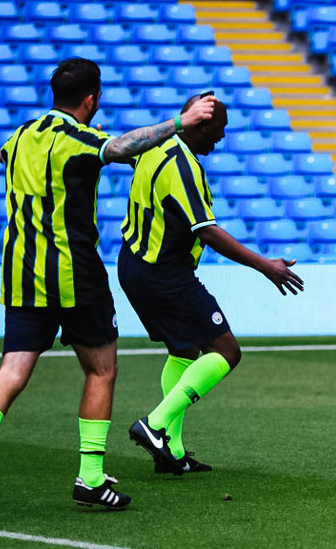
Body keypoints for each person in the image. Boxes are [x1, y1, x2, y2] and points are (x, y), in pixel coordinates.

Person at [0, 57, 218, 519]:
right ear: (91, 99)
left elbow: (3, 156)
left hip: (21, 271)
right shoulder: (80, 139)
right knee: (101, 370)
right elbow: (121, 148)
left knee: (13, 371)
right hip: (74, 273)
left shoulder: (20, 135)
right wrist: (180, 122)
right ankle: (90, 479)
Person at [120, 93, 304, 475]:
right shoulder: (182, 165)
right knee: (226, 351)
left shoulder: (154, 145)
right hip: (164, 273)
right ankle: (155, 425)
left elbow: (124, 151)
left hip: (136, 264)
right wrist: (264, 266)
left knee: (183, 351)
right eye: (218, 129)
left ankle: (172, 451)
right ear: (199, 125)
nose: (220, 137)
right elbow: (207, 231)